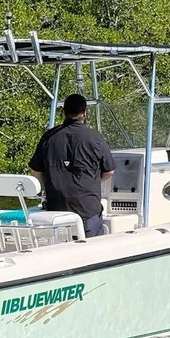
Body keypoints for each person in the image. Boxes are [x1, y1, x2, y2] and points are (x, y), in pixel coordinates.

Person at [29, 94, 115, 238]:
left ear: (64, 111)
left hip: (56, 211)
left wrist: (48, 187)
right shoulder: (95, 138)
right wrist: (93, 182)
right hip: (87, 210)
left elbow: (35, 170)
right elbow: (109, 171)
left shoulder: (49, 137)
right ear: (85, 112)